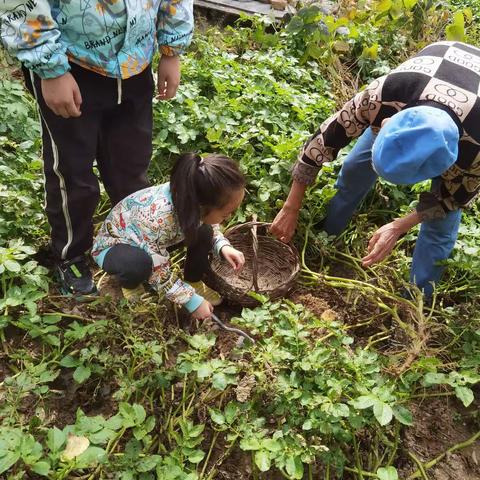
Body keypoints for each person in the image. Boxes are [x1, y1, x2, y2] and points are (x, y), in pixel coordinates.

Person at [0, 0, 193, 296]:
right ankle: (71, 253)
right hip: (72, 63)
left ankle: (134, 237)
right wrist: (50, 67)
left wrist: (172, 49)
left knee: (130, 165)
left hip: (135, 59)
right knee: (72, 170)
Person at [271, 41, 480, 297]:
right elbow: (324, 139)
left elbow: (452, 200)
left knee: (441, 228)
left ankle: (416, 301)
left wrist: (398, 226)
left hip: (470, 123)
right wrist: (291, 206)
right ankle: (327, 235)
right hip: (431, 72)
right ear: (387, 122)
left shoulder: (475, 155)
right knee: (354, 168)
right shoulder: (383, 95)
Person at [92, 153, 246, 320]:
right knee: (139, 264)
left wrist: (222, 245)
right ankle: (131, 284)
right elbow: (159, 272)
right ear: (201, 207)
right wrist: (192, 302)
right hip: (115, 246)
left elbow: (208, 221)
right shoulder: (158, 219)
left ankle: (192, 281)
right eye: (225, 215)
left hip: (153, 240)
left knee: (205, 231)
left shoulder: (191, 195)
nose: (228, 219)